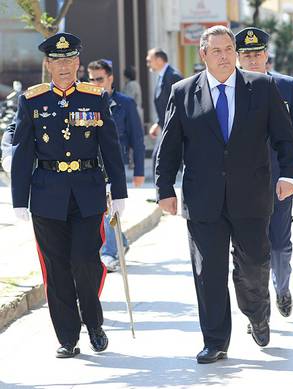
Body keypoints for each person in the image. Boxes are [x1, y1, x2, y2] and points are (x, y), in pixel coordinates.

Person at [155, 25, 293, 364]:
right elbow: (169, 145)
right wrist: (164, 188)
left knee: (252, 266)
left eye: (228, 49)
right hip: (203, 198)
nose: (224, 56)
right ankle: (215, 340)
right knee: (209, 272)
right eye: (216, 50)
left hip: (251, 195)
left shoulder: (262, 88)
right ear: (203, 55)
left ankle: (258, 313)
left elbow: (284, 136)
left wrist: (291, 176)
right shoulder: (183, 91)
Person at [10, 32, 127, 358]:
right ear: (48, 64)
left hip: (87, 193)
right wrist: (19, 198)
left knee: (84, 262)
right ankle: (67, 336)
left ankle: (93, 322)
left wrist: (118, 191)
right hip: (47, 193)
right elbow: (22, 152)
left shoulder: (94, 97)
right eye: (56, 61)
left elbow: (110, 147)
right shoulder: (33, 100)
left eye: (69, 60)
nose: (63, 66)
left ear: (78, 62)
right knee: (56, 267)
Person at [235, 27, 293, 318]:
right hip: (243, 183)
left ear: (267, 55)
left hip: (280, 178)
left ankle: (281, 287)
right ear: (238, 58)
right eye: (247, 55)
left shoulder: (287, 86)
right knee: (251, 249)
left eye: (258, 54)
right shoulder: (231, 88)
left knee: (280, 243)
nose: (253, 60)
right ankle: (258, 309)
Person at [88, 59, 145, 272]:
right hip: (92, 165)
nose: (95, 83)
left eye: (99, 79)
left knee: (109, 209)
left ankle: (110, 253)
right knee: (103, 210)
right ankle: (119, 241)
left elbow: (137, 139)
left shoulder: (125, 103)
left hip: (115, 164)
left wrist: (139, 170)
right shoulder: (86, 101)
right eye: (91, 79)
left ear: (110, 78)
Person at [146, 48, 182, 179]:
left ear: (159, 60)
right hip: (165, 125)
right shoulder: (162, 76)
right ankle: (160, 195)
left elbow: (179, 103)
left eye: (150, 60)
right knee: (159, 159)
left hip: (173, 126)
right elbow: (163, 104)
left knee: (161, 158)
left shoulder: (173, 76)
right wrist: (158, 123)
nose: (148, 64)